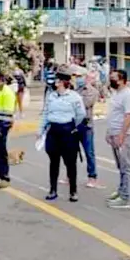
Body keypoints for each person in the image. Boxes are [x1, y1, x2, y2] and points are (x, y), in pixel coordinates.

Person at [39, 71, 85, 202]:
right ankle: (53, 190)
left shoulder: (74, 97)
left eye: (58, 81)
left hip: (68, 132)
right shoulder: (51, 96)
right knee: (53, 162)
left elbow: (80, 115)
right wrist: (40, 130)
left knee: (70, 163)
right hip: (53, 131)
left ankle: (73, 191)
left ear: (64, 82)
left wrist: (71, 126)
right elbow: (46, 113)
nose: (55, 82)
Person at [106, 69, 130, 209]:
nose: (111, 80)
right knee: (120, 166)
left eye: (113, 78)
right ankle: (121, 190)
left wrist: (122, 135)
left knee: (126, 166)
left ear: (122, 79)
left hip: (123, 135)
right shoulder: (116, 94)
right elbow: (113, 114)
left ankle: (125, 197)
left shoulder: (128, 95)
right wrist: (109, 132)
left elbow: (128, 116)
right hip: (114, 133)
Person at [76, 68, 102, 189]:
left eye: (80, 76)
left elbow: (85, 104)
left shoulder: (92, 91)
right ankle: (69, 175)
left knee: (89, 152)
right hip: (74, 124)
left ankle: (92, 176)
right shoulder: (74, 89)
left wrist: (73, 100)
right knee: (70, 152)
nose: (78, 78)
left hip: (86, 126)